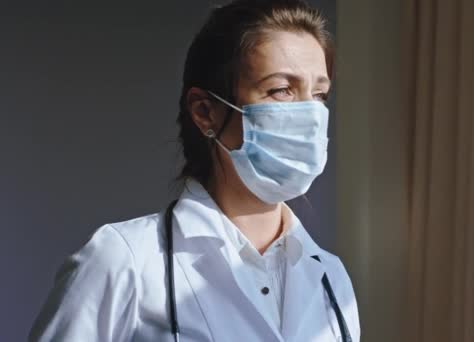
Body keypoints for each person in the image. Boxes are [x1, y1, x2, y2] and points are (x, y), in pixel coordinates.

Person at [29, 0, 360, 341]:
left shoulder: (331, 280)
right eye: (280, 90)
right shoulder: (121, 260)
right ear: (205, 112)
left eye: (319, 95)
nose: (309, 116)